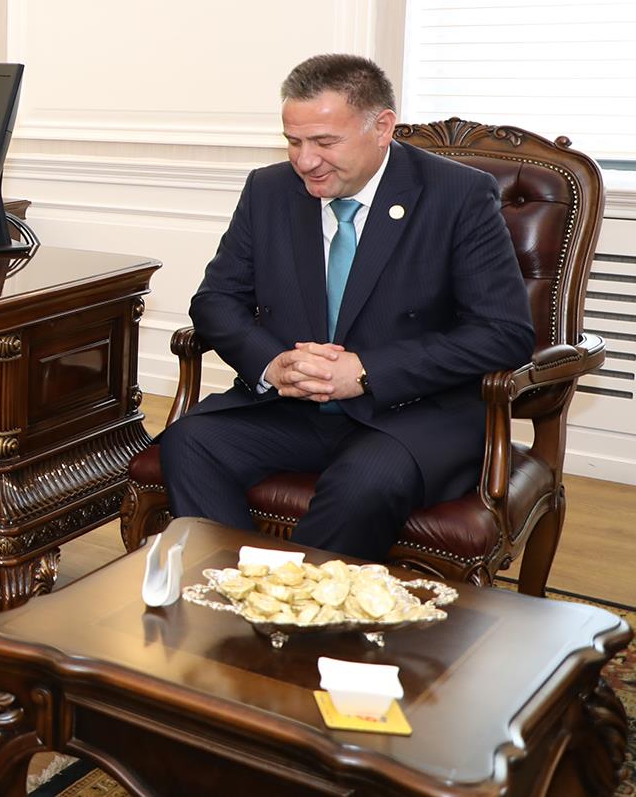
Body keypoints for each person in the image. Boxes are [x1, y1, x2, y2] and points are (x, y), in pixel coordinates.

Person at [158, 54, 535, 561]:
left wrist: (366, 372)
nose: (305, 161)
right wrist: (272, 364)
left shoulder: (457, 195)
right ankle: (233, 587)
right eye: (294, 141)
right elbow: (216, 301)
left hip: (409, 415)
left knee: (365, 481)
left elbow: (503, 333)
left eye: (324, 142)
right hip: (292, 408)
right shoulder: (269, 190)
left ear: (382, 127)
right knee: (189, 442)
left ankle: (300, 604)